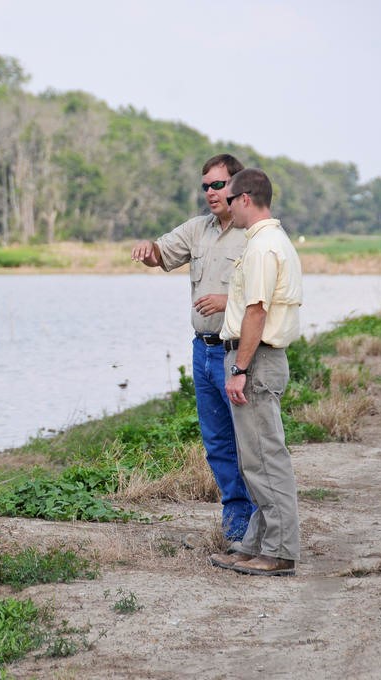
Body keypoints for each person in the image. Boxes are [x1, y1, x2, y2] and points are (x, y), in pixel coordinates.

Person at [131, 154, 255, 544]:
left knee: (250, 441)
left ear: (237, 186)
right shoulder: (197, 230)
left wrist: (226, 301)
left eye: (217, 185)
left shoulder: (255, 234)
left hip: (237, 353)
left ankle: (263, 523)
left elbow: (264, 299)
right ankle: (235, 520)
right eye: (205, 186)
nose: (210, 193)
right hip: (202, 353)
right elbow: (160, 253)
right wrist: (147, 250)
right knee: (216, 442)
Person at [210, 168, 303, 576]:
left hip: (258, 359)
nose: (225, 207)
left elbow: (256, 311)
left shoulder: (264, 246)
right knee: (256, 459)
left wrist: (240, 368)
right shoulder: (265, 242)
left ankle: (280, 551)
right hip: (257, 358)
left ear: (245, 198)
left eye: (229, 199)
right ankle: (255, 545)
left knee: (266, 459)